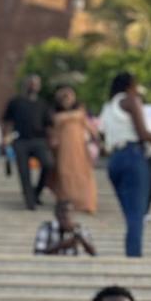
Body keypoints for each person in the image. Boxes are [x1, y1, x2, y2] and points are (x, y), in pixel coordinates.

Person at [100, 70, 151, 258]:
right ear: (129, 86)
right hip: (133, 156)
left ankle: (132, 253)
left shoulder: (108, 107)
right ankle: (134, 258)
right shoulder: (130, 101)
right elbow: (144, 134)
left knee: (131, 215)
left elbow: (101, 134)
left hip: (114, 160)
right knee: (136, 216)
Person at [2, 75, 53, 211]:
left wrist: (51, 140)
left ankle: (36, 193)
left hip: (39, 140)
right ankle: (29, 201)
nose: (33, 86)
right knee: (24, 172)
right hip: (21, 140)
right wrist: (5, 137)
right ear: (25, 85)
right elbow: (7, 121)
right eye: (31, 83)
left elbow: (49, 124)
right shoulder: (15, 101)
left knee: (48, 165)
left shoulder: (43, 103)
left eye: (36, 84)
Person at [47, 83, 98, 215]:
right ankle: (66, 202)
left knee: (83, 174)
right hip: (63, 148)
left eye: (69, 96)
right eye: (63, 97)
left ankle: (86, 203)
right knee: (65, 174)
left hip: (79, 147)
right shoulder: (55, 113)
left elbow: (90, 127)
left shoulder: (81, 112)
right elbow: (53, 129)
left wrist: (95, 139)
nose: (66, 99)